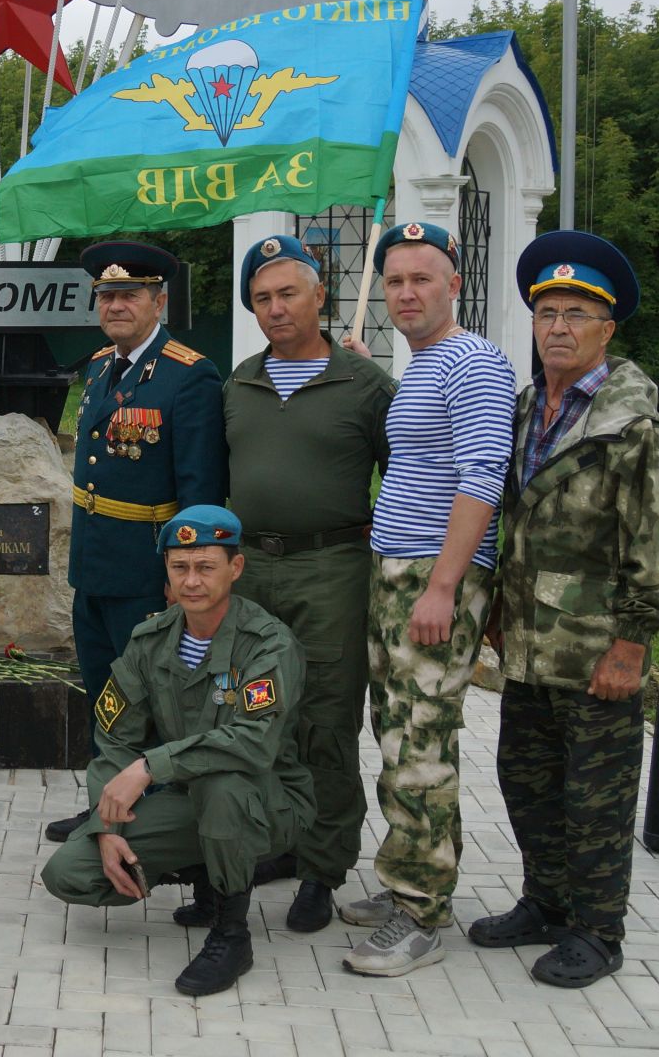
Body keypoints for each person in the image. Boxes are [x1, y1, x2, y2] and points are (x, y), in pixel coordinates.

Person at [469, 232, 659, 988]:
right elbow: (511, 518)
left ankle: (598, 932)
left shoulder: (632, 428)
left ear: (607, 328)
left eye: (576, 314)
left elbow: (658, 549)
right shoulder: (529, 406)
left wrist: (632, 647)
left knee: (594, 793)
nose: (557, 327)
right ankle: (545, 902)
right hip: (529, 644)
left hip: (595, 653)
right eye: (547, 312)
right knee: (525, 780)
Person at [40, 506, 312, 997]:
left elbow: (252, 743)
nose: (192, 581)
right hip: (190, 801)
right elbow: (115, 739)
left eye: (206, 567)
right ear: (165, 572)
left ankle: (231, 932)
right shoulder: (151, 641)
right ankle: (205, 873)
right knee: (69, 874)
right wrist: (107, 827)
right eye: (179, 567)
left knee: (222, 784)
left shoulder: (267, 644)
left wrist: (150, 767)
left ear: (235, 568)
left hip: (267, 802)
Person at [338, 221, 512, 977]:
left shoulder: (471, 361)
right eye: (395, 281)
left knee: (422, 748)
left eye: (422, 279)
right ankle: (403, 878)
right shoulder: (427, 364)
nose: (406, 292)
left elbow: (482, 476)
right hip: (399, 569)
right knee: (398, 734)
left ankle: (420, 912)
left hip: (435, 577)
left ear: (455, 284)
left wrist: (444, 586)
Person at [217, 234, 394, 935]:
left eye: (288, 293)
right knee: (259, 711)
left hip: (331, 570)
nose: (275, 308)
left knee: (325, 718)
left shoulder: (367, 386)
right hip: (251, 570)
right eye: (262, 299)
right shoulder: (241, 383)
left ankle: (324, 867)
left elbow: (407, 479)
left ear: (320, 296)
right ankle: (282, 842)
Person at [46, 241, 227, 844]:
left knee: (157, 701)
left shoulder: (188, 374)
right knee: (104, 693)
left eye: (128, 295)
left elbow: (201, 494)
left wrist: (188, 582)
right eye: (107, 295)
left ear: (159, 300)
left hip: (147, 573)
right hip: (93, 566)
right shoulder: (100, 367)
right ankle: (105, 803)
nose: (115, 305)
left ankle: (163, 820)